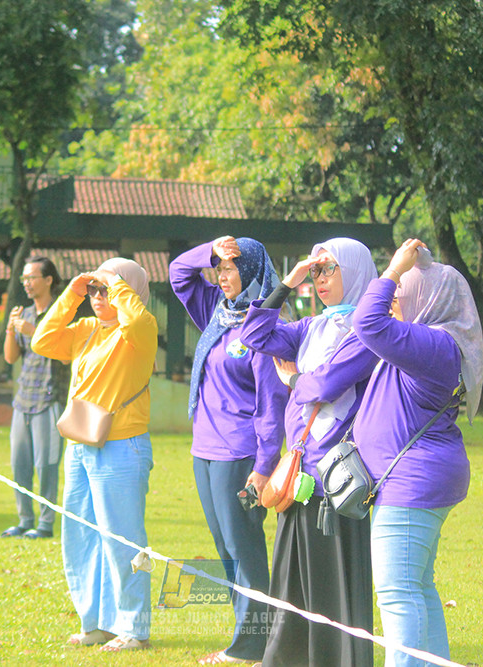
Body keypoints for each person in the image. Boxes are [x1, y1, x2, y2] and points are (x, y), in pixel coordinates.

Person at [239, 237, 380, 667]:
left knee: (333, 588)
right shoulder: (312, 327)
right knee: (291, 586)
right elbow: (254, 334)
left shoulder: (368, 329)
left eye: (328, 269)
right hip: (298, 480)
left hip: (338, 482)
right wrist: (289, 280)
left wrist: (294, 378)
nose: (320, 280)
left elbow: (325, 385)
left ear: (354, 271)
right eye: (315, 272)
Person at [351, 239, 483, 667]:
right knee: (417, 588)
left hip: (411, 484)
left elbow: (367, 324)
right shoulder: (432, 344)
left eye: (401, 294)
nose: (393, 303)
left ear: (429, 299)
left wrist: (392, 270)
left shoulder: (435, 345)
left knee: (397, 592)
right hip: (416, 478)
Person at [170, 236, 288, 665]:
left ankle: (251, 647)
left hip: (239, 454)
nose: (221, 277)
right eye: (217, 269)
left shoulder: (263, 326)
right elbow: (178, 273)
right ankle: (248, 637)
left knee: (245, 548)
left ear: (253, 272)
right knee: (225, 548)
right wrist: (210, 250)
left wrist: (263, 465)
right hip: (204, 450)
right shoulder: (216, 314)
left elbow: (271, 406)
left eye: (230, 268)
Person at [31, 257, 157, 653]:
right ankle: (98, 622)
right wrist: (73, 292)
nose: (99, 297)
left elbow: (135, 322)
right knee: (81, 536)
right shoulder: (86, 329)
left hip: (122, 447)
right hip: (80, 446)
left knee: (123, 540)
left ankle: (134, 627)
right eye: (96, 291)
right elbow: (42, 340)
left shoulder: (139, 329)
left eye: (106, 290)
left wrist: (116, 284)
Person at [0, 256, 70, 539]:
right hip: (23, 398)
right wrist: (10, 327)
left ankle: (44, 524)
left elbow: (66, 354)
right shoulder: (23, 314)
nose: (27, 284)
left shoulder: (62, 313)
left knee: (47, 465)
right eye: (24, 279)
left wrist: (32, 331)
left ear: (48, 280)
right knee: (20, 463)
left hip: (50, 398)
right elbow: (10, 356)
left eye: (32, 278)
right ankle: (24, 519)